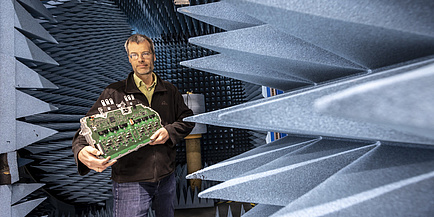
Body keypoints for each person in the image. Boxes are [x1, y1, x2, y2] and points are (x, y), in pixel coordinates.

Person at [72, 34, 195, 217]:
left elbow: (187, 119)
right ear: (129, 59)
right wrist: (81, 151)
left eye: (145, 53)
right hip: (130, 182)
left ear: (154, 55)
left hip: (166, 177)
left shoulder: (169, 90)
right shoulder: (113, 92)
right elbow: (87, 130)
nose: (141, 60)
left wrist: (169, 132)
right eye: (134, 55)